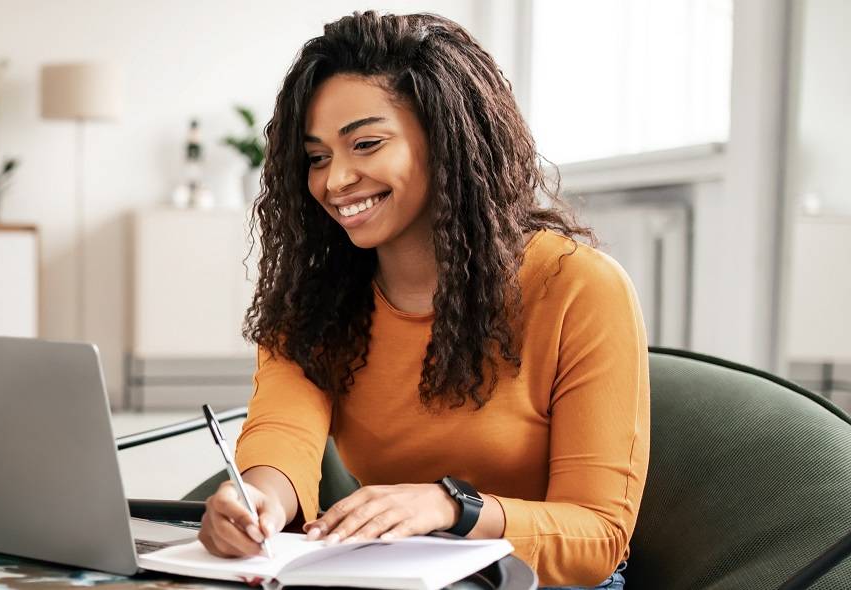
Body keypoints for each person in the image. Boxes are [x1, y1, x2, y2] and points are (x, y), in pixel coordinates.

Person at [196, 11, 647, 590]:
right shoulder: (316, 296)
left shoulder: (579, 286)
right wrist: (255, 501)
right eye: (317, 157)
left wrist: (450, 507)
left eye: (366, 144)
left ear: (447, 137)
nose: (334, 181)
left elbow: (599, 538)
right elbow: (285, 435)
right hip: (399, 572)